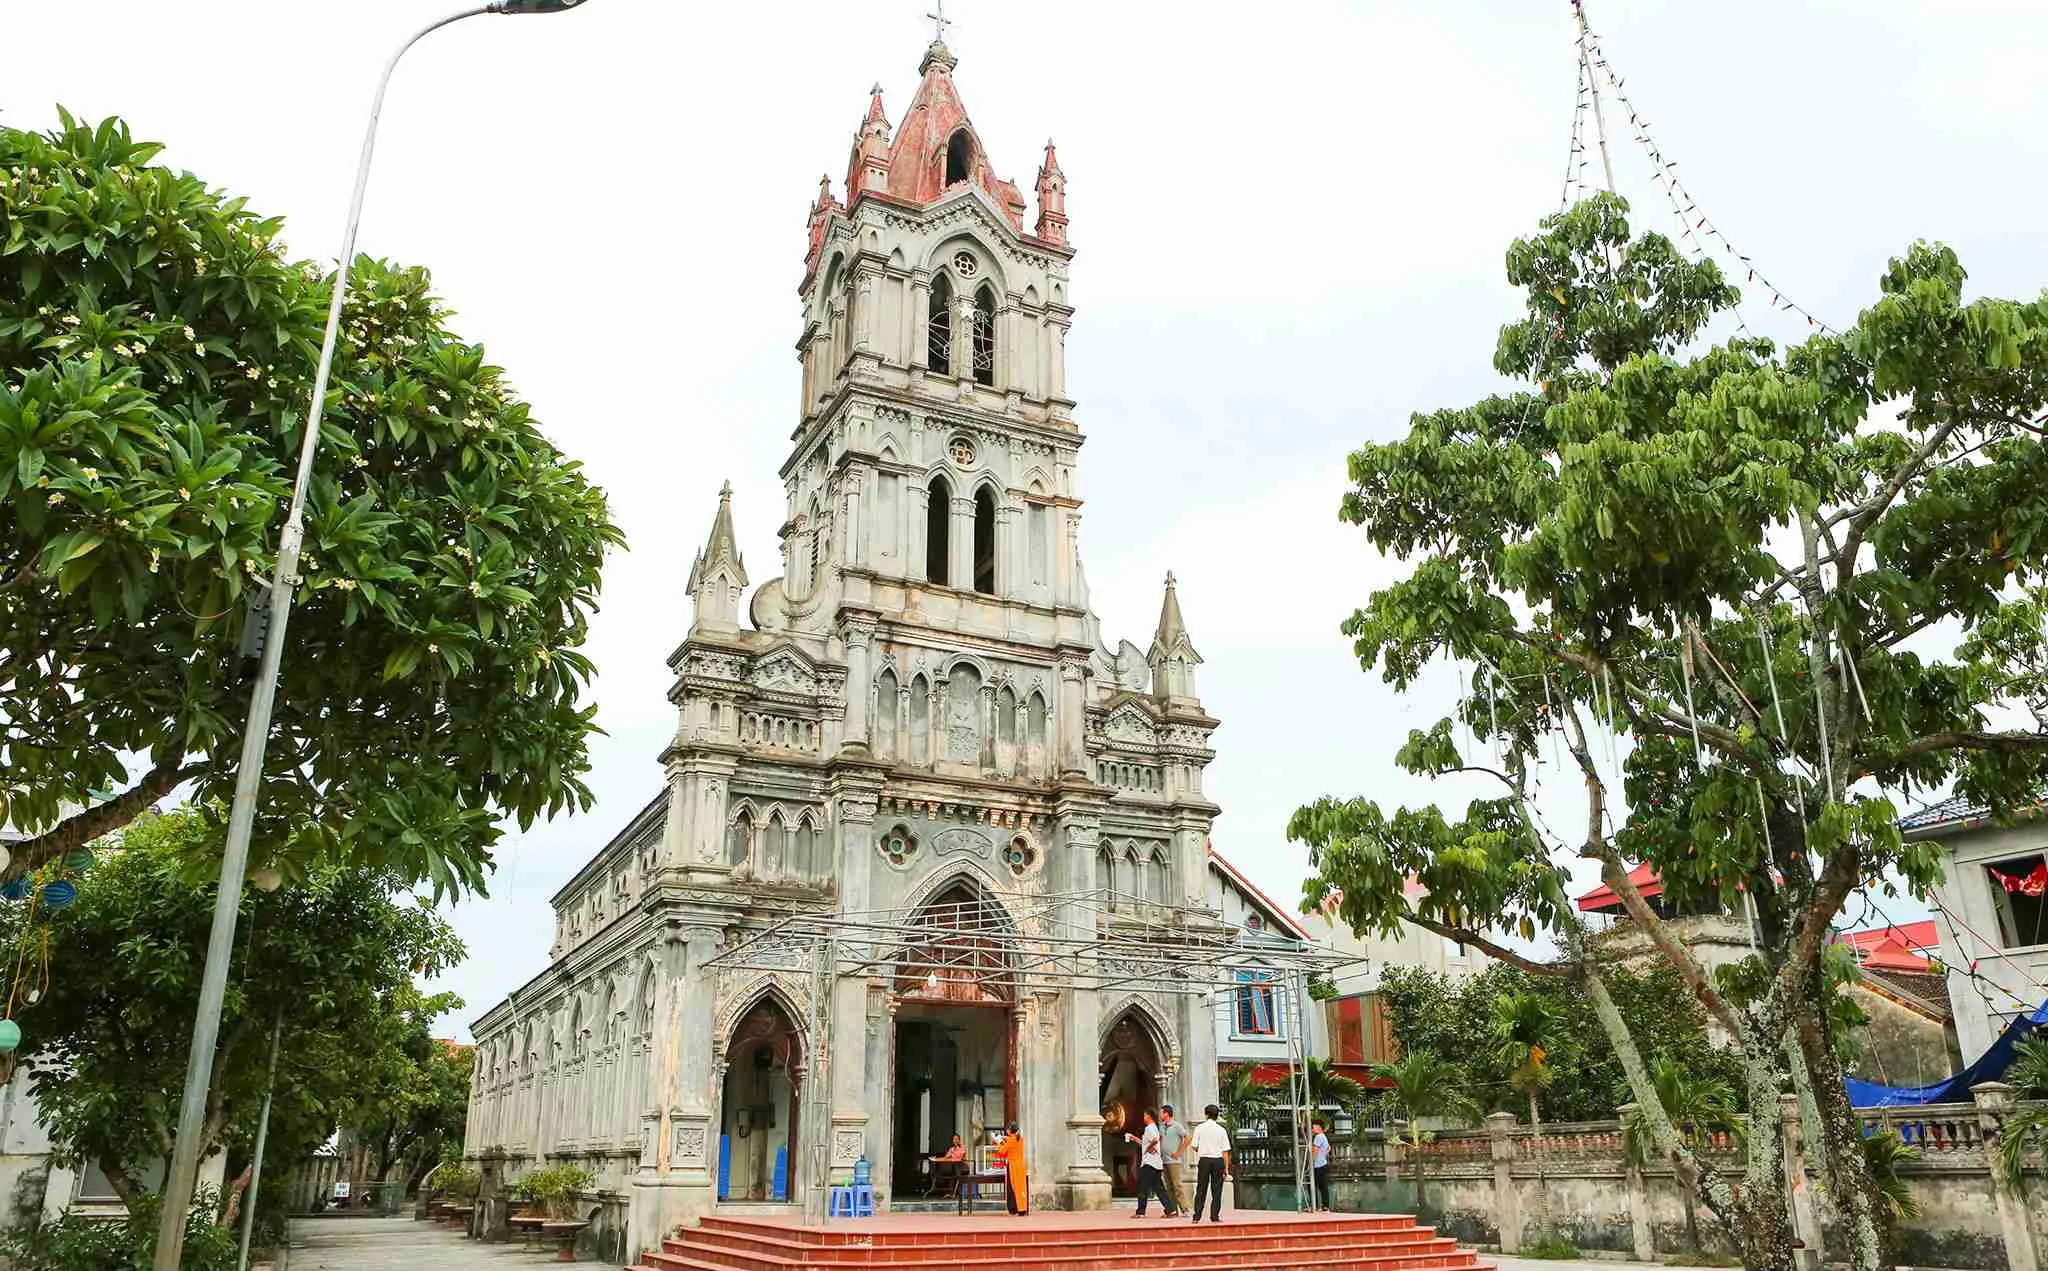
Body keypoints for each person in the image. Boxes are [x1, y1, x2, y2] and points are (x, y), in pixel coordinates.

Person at [1124, 1109, 1179, 1218]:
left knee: (1142, 1187)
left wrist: (1149, 1147)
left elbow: (1155, 1139)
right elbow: (1147, 1143)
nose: (1143, 1118)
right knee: (1159, 1188)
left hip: (1150, 1163)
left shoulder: (1149, 1128)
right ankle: (1170, 1209)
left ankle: (1140, 1212)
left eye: (1144, 1115)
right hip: (1156, 1163)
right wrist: (1135, 1139)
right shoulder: (1154, 1128)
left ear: (1148, 1116)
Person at [1188, 1104, 1232, 1224]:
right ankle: (1214, 1216)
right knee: (1217, 1190)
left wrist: (1203, 1149)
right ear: (1217, 1116)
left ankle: (1197, 1216)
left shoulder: (1199, 1128)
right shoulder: (1221, 1130)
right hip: (1218, 1160)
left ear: (1206, 1114)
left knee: (1201, 1188)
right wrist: (1226, 1168)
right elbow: (1225, 1151)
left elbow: (1194, 1146)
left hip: (1204, 1160)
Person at [1157, 1104, 1190, 1215]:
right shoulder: (1161, 1127)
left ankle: (1184, 1209)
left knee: (1177, 1185)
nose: (1160, 1115)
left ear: (1167, 1114)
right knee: (1169, 1186)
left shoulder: (1177, 1126)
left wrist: (1179, 1152)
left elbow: (1187, 1138)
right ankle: (1173, 1210)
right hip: (1164, 1160)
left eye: (1161, 1112)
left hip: (1174, 1161)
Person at [994, 1122, 1029, 1216]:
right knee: (1020, 1187)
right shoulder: (1020, 1139)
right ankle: (1022, 1208)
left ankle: (1013, 1208)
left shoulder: (1010, 1140)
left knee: (1012, 1188)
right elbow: (1011, 1139)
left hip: (1013, 1165)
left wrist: (999, 1142)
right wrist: (1004, 1138)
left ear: (1010, 1130)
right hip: (1021, 1165)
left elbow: (1002, 1151)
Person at [1310, 1119, 1333, 1212]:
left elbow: (1315, 1150)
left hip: (1317, 1165)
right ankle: (1325, 1206)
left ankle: (1314, 1206)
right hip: (1323, 1164)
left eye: (1313, 1127)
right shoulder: (1324, 1136)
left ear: (1318, 1127)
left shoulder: (1318, 1137)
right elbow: (1328, 1149)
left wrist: (1311, 1161)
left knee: (1312, 1185)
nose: (1312, 1129)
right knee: (1323, 1186)